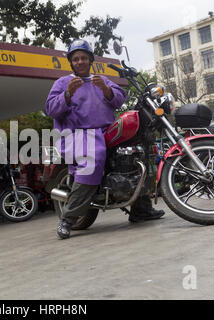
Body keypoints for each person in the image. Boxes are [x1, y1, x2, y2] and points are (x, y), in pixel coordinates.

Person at [45, 39, 164, 240]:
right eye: (76, 59)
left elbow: (120, 99)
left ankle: (141, 209)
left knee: (137, 150)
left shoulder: (101, 80)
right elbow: (51, 109)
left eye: (84, 58)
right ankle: (68, 219)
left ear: (90, 60)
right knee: (94, 156)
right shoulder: (63, 83)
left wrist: (107, 90)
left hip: (105, 131)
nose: (80, 62)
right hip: (78, 134)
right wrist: (67, 94)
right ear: (71, 62)